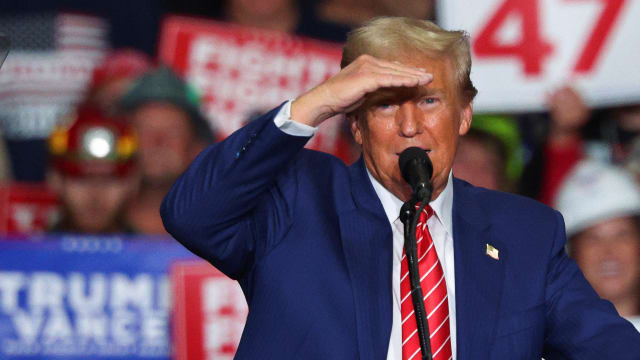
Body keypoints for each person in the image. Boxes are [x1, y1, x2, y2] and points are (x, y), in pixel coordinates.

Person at [161, 17, 640, 359]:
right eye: (386, 106)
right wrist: (316, 102)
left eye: (430, 100)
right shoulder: (295, 197)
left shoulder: (526, 233)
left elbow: (608, 346)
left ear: (465, 114)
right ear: (356, 123)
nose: (411, 126)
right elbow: (192, 213)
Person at [118, 66, 215, 234]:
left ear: (197, 146)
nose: (158, 142)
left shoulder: (223, 230)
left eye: (173, 131)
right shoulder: (86, 229)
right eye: (144, 130)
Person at [555, 160, 640, 331]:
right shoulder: (544, 346)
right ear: (571, 253)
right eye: (593, 238)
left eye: (621, 235)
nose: (609, 252)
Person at [47, 105, 139, 233]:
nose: (95, 195)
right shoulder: (26, 251)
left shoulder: (158, 252)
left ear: (132, 182)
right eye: (81, 179)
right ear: (55, 180)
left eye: (109, 180)